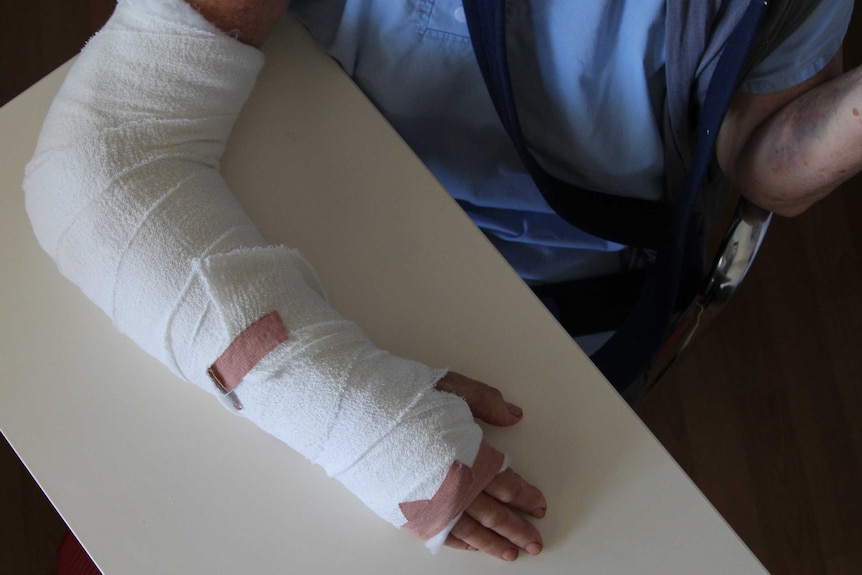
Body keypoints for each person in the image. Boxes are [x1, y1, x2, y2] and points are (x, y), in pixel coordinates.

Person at [23, 0, 859, 564]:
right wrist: (372, 426)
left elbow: (756, 161)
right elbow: (98, 170)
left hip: (559, 309)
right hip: (294, 230)